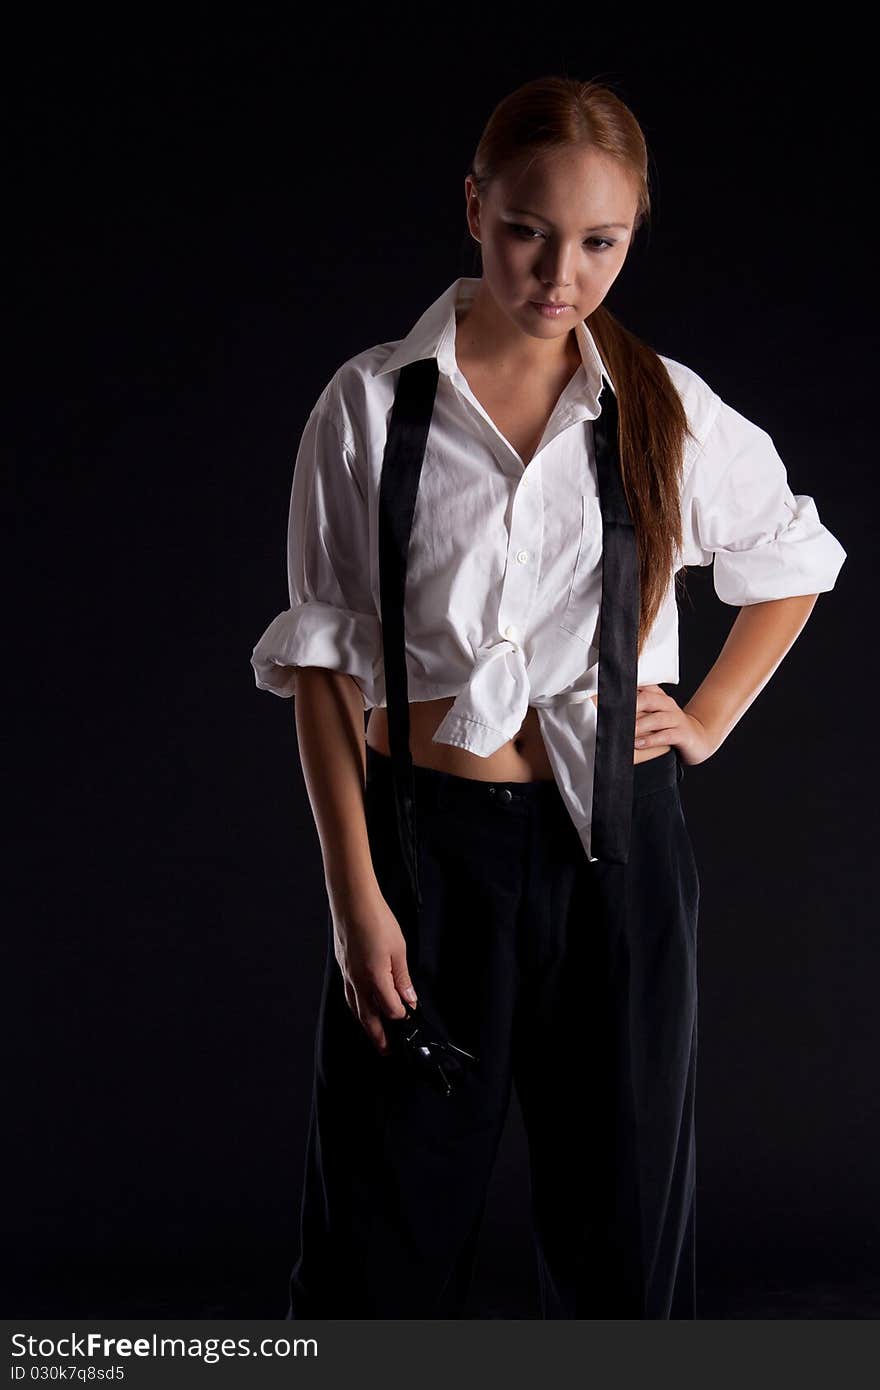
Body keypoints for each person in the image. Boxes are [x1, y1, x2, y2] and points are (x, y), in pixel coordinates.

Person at [250, 76, 847, 1319]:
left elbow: (792, 559)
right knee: (378, 1241)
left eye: (598, 241)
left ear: (630, 236)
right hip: (426, 852)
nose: (558, 271)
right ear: (474, 209)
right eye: (527, 229)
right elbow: (322, 670)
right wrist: (357, 903)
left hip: (616, 859)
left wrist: (710, 714)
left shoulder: (662, 406)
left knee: (622, 1240)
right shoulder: (369, 405)